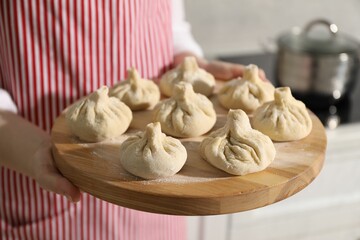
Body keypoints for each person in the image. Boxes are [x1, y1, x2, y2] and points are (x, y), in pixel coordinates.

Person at [0, 0, 266, 239]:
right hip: (34, 167)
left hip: (160, 203)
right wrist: (31, 148)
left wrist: (189, 63)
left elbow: (169, 22)